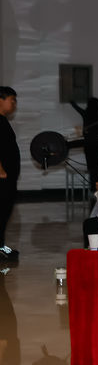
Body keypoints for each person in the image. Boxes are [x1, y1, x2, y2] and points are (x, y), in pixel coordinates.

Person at [70, 95, 98, 186]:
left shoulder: (86, 114)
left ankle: (94, 186)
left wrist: (72, 102)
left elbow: (79, 110)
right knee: (96, 168)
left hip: (88, 145)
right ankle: (96, 186)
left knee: (91, 168)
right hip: (97, 145)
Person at [0, 88, 18, 261]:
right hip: (2, 178)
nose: (14, 104)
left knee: (4, 214)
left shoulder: (3, 120)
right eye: (12, 100)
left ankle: (2, 247)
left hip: (7, 177)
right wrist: (1, 170)